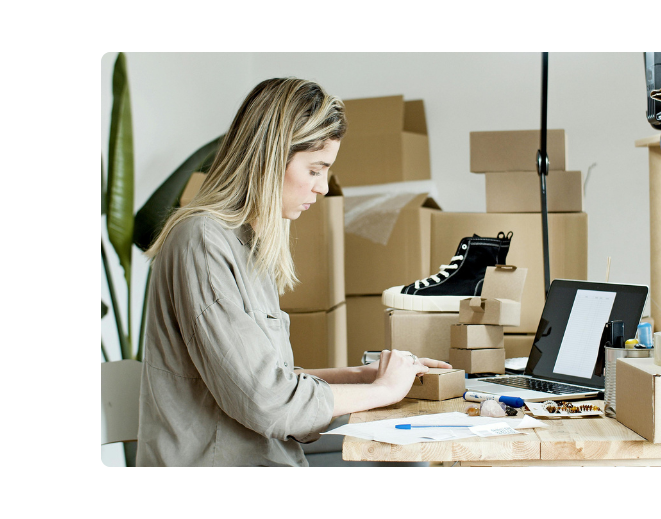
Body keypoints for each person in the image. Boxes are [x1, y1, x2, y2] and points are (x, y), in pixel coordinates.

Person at [136, 77, 450, 467]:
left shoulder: (247, 243)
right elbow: (268, 403)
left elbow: (267, 379)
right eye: (315, 170)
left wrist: (363, 376)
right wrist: (385, 390)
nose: (321, 188)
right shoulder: (202, 242)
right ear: (270, 157)